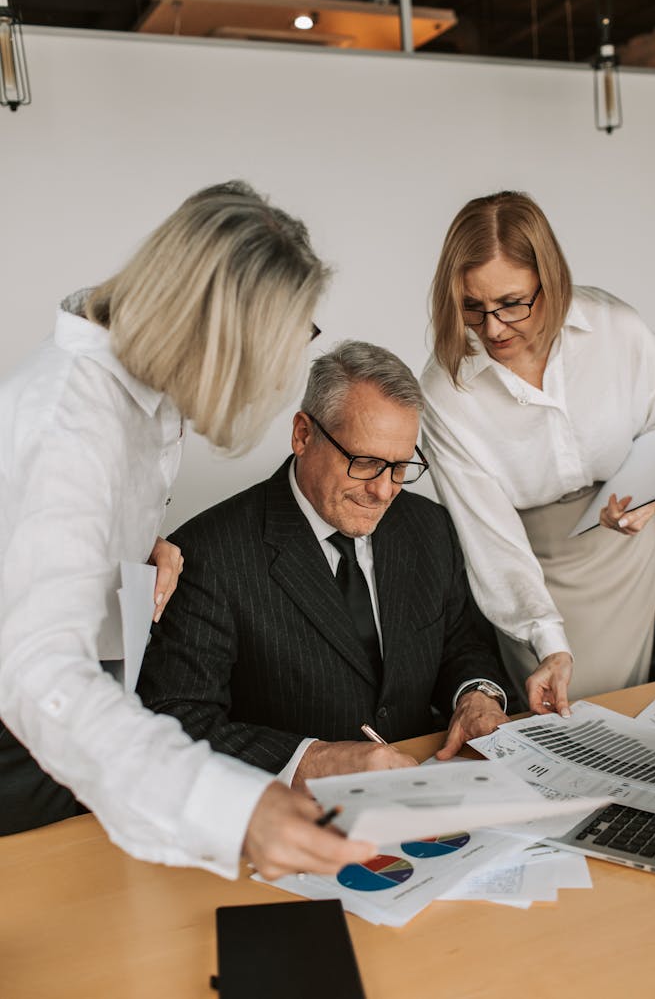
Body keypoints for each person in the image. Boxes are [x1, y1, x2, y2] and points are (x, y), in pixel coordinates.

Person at [0, 181, 375, 879]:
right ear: (218, 337)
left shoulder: (136, 388)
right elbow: (38, 676)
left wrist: (127, 565)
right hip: (24, 744)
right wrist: (236, 811)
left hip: (84, 722)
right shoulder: (70, 427)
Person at [137, 341, 509, 784]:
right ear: (302, 434)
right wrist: (313, 760)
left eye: (400, 466)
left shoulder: (429, 527)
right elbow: (178, 719)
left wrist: (478, 694)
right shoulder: (209, 555)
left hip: (430, 791)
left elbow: (463, 644)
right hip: (286, 815)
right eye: (366, 463)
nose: (385, 491)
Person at [420, 190, 655, 714]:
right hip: (529, 565)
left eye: (511, 303)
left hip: (627, 555)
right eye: (472, 308)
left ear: (551, 280)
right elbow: (490, 541)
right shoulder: (444, 390)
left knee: (630, 710)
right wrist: (548, 639)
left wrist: (653, 497)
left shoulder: (618, 329)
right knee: (560, 718)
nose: (494, 328)